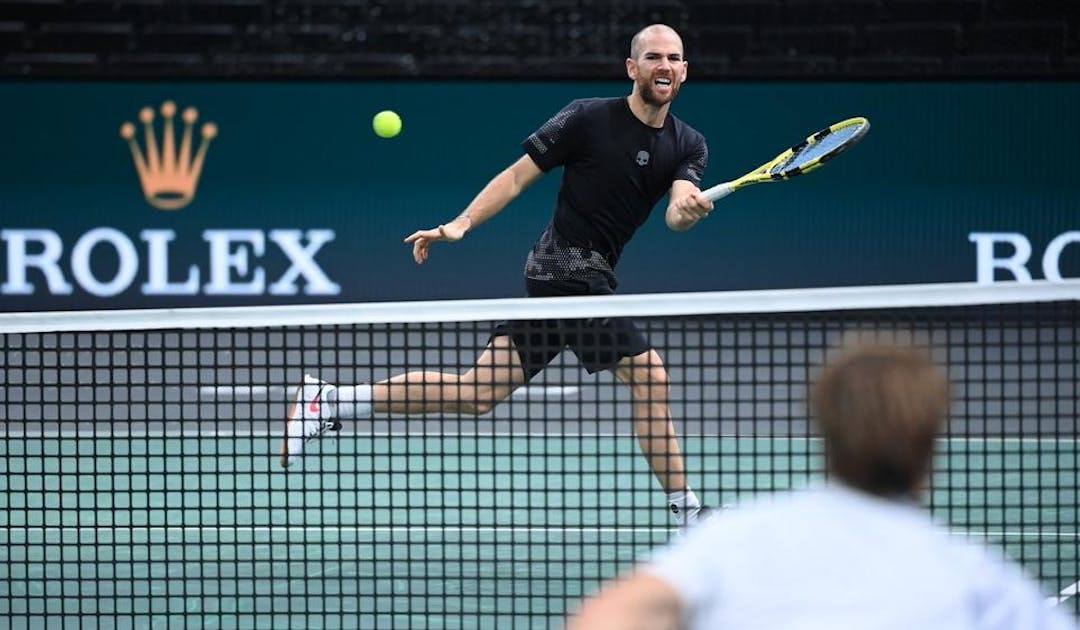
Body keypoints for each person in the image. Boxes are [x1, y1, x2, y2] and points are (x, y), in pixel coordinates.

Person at [279, 24, 716, 526]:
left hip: (584, 280)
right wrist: (462, 223)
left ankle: (331, 401)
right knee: (651, 376)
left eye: (674, 58)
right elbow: (515, 176)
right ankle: (689, 516)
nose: (665, 66)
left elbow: (678, 209)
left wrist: (688, 209)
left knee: (477, 393)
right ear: (631, 67)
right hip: (564, 271)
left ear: (684, 70)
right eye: (654, 56)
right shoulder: (587, 117)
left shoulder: (689, 144)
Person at [566, 341, 1077, 630]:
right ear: (929, 450)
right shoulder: (977, 579)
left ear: (824, 430)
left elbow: (603, 619)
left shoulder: (735, 537)